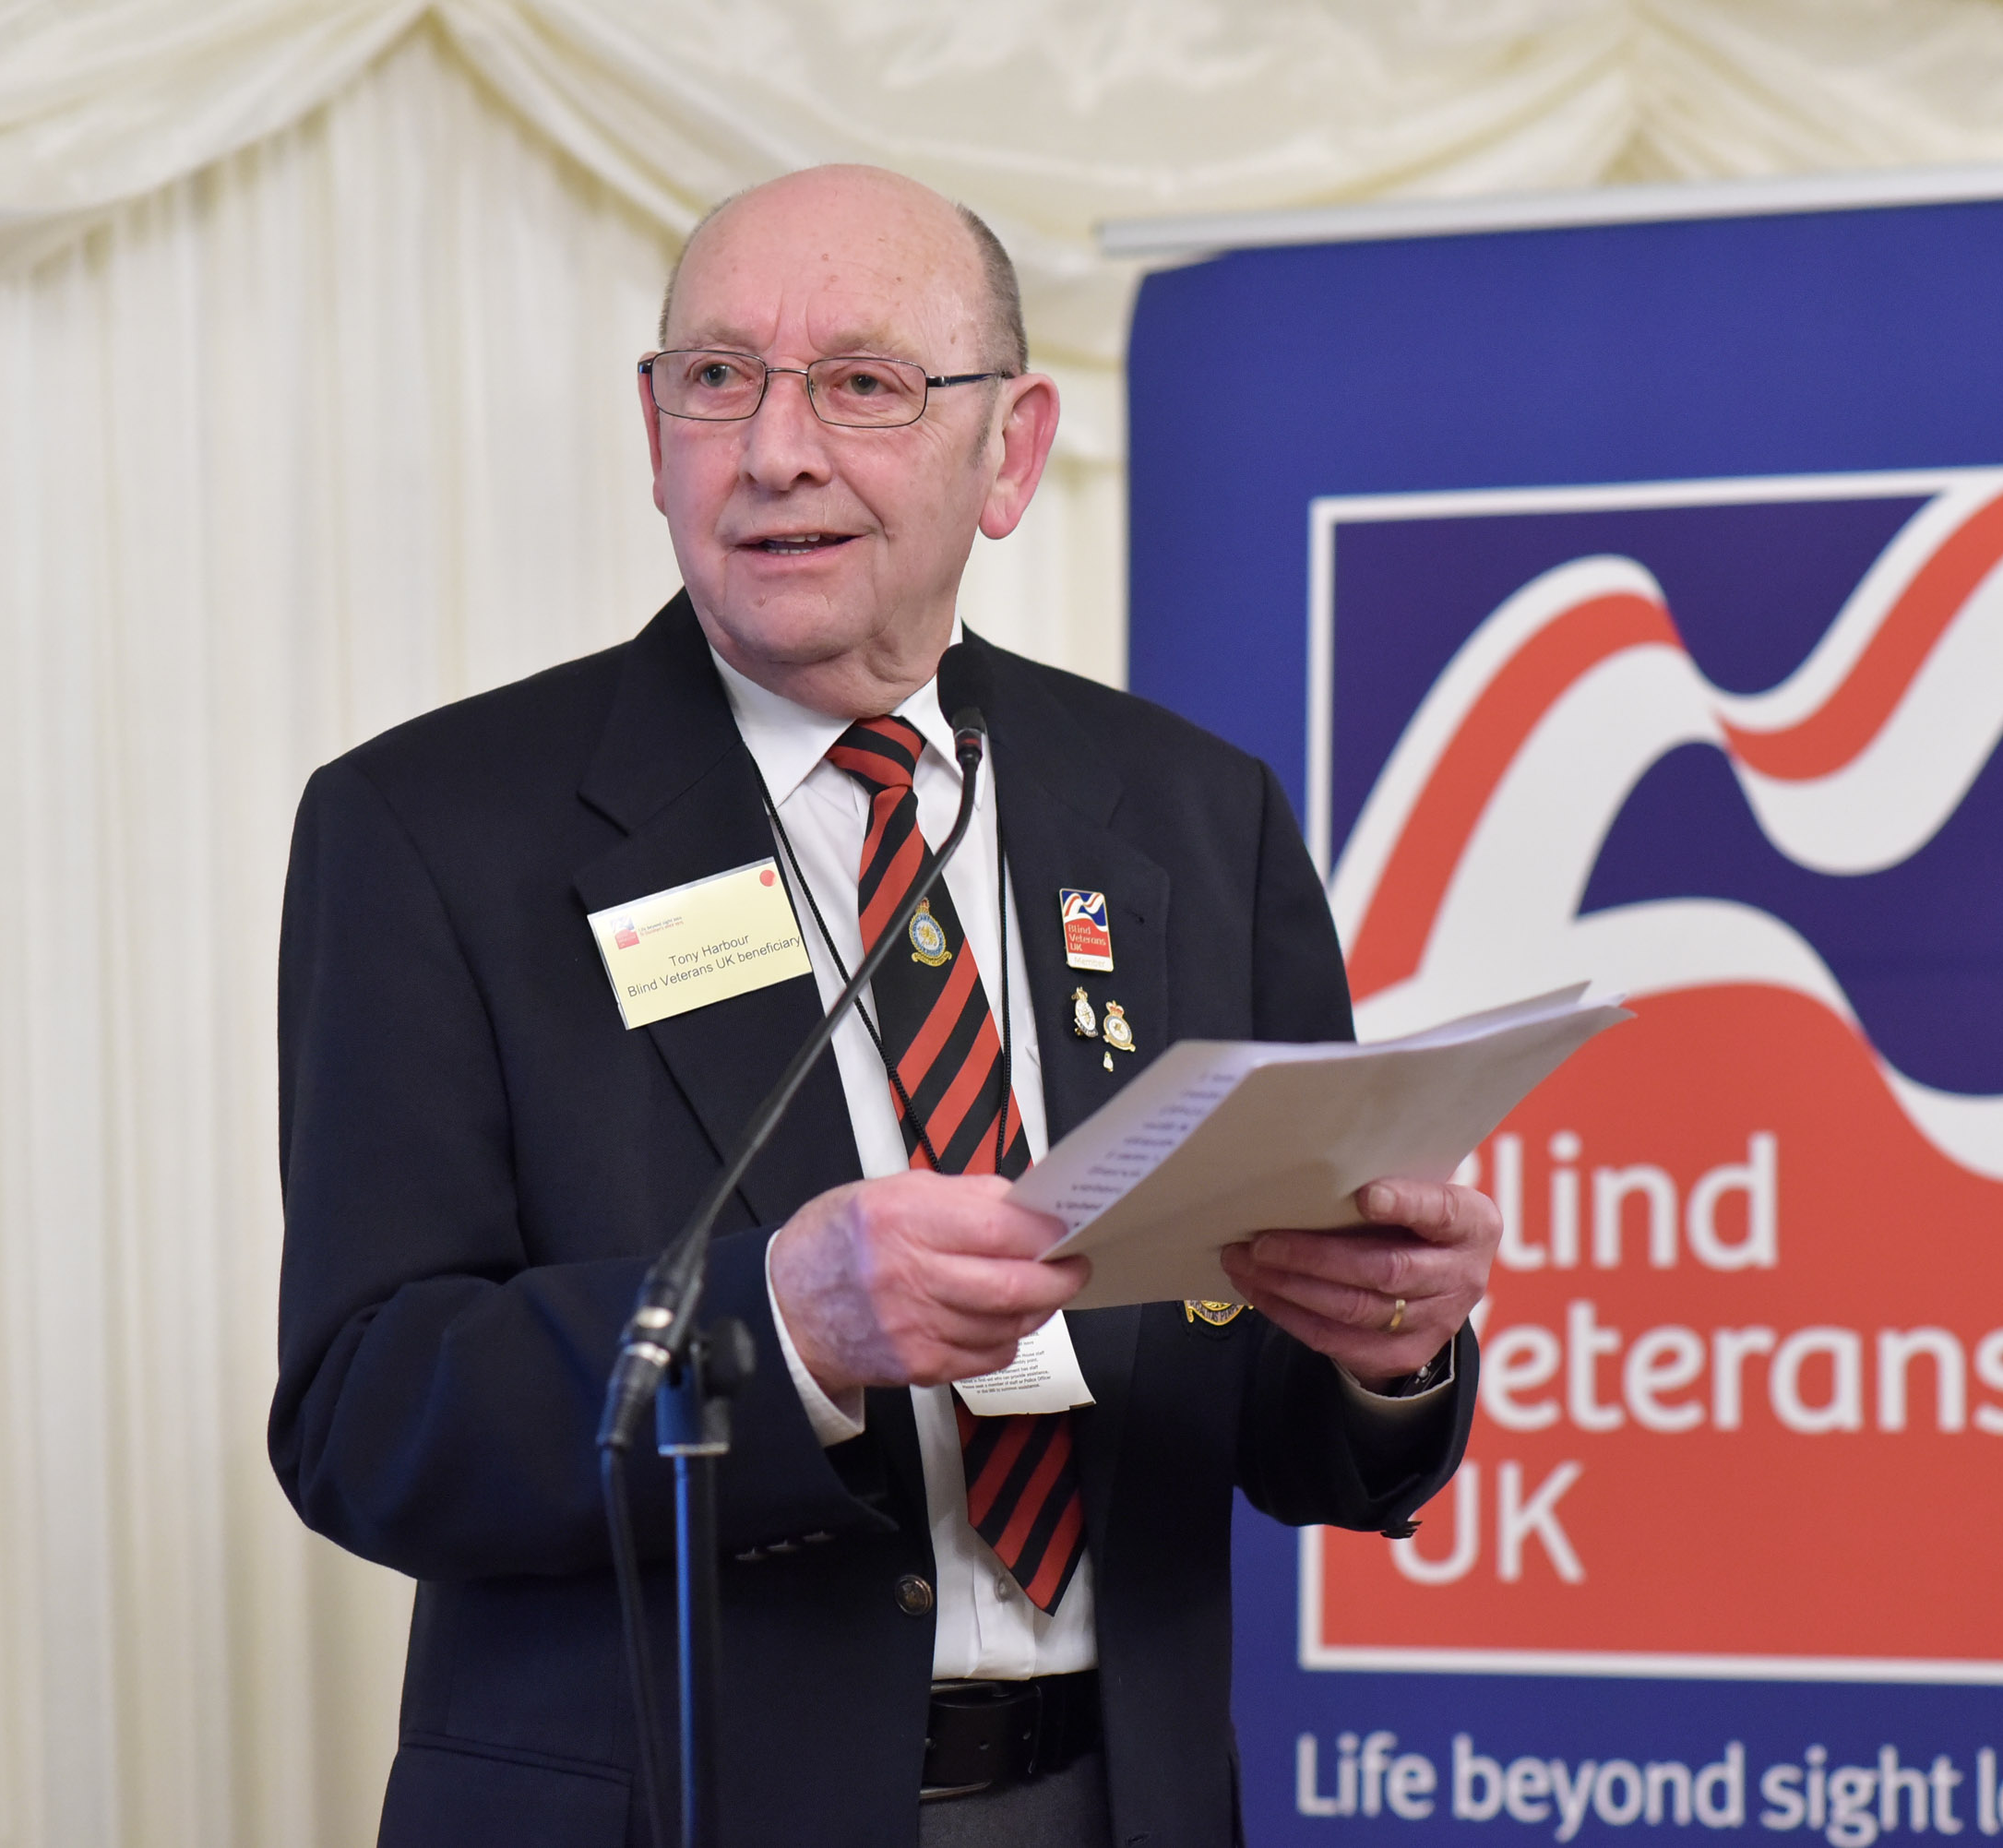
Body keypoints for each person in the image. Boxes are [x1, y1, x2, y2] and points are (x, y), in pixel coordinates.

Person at [269, 163, 1495, 1848]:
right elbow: (367, 1414)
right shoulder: (432, 830)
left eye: (862, 383)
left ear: (1011, 451)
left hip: (1113, 1801)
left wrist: (1390, 1353)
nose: (774, 449)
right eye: (717, 379)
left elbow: (1288, 1425)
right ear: (654, 434)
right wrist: (782, 1331)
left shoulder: (1196, 817)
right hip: (671, 1811)